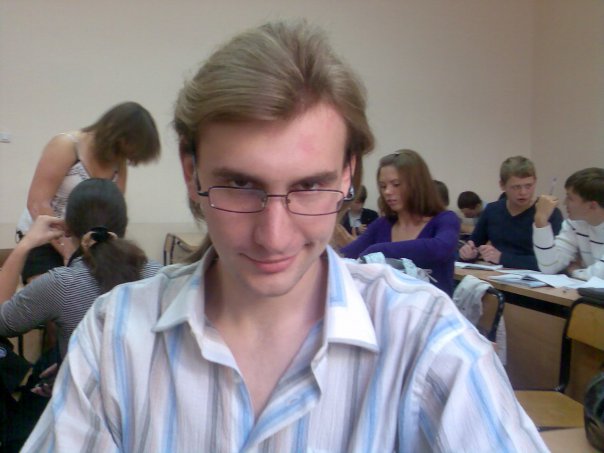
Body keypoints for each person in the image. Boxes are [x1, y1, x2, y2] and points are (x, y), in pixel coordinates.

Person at [23, 21, 545, 452]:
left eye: (311, 186)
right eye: (239, 185)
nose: (274, 237)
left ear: (348, 174)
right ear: (191, 172)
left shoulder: (427, 343)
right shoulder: (115, 336)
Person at [1, 178, 162, 450]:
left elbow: (2, 322)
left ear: (68, 227)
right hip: (146, 414)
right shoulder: (159, 275)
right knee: (48, 362)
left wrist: (25, 244)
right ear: (124, 224)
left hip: (84, 421)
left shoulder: (62, 283)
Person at [16, 101, 161, 284]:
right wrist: (68, 251)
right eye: (124, 151)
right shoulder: (66, 146)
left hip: (85, 242)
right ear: (114, 136)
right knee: (51, 291)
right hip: (45, 238)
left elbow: (112, 211)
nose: (124, 159)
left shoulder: (119, 162)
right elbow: (37, 204)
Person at [337, 150, 460, 295]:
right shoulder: (382, 224)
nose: (387, 192)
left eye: (396, 184)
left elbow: (441, 248)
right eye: (383, 186)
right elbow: (348, 255)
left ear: (417, 185)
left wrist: (379, 250)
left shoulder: (445, 219)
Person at [459, 155, 563, 270]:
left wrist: (502, 258)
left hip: (535, 278)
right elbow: (473, 245)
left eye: (528, 186)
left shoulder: (548, 213)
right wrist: (469, 253)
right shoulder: (492, 210)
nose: (523, 192)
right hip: (495, 276)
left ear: (535, 182)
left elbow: (554, 263)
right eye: (516, 187)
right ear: (502, 185)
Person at [533, 167, 604, 280]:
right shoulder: (575, 224)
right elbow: (549, 267)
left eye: (570, 198)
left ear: (592, 206)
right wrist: (541, 221)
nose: (564, 202)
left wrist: (574, 271)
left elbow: (600, 275)